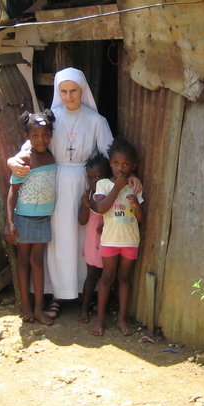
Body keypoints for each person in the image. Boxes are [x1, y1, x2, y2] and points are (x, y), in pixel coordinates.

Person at [8, 68, 113, 318]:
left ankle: (82, 292)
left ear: (82, 90)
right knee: (58, 240)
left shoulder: (96, 120)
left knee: (82, 240)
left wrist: (126, 178)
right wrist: (11, 161)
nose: (68, 96)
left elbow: (110, 153)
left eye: (73, 91)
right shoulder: (50, 118)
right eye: (63, 91)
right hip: (54, 184)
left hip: (84, 184)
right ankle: (57, 293)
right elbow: (27, 149)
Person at [5, 110, 56, 325]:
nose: (41, 140)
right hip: (24, 218)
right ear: (27, 137)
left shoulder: (51, 156)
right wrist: (10, 222)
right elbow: (12, 192)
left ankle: (38, 308)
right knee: (24, 260)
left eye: (45, 135)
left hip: (44, 217)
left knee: (38, 261)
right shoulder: (25, 159)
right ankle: (25, 304)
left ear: (51, 135)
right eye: (35, 136)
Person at [91, 137, 145, 337]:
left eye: (125, 164)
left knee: (124, 278)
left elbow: (140, 218)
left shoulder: (135, 187)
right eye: (115, 163)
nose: (120, 168)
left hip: (130, 241)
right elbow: (101, 207)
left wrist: (136, 205)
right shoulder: (104, 185)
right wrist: (118, 187)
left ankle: (122, 319)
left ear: (133, 166)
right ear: (110, 163)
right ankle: (100, 319)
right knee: (106, 277)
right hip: (110, 241)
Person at [78, 154, 110, 323]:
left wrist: (105, 225)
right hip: (92, 243)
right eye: (90, 177)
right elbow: (82, 221)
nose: (94, 181)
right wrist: (85, 206)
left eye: (98, 177)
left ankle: (103, 307)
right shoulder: (88, 195)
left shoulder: (111, 195)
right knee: (91, 276)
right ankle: (84, 308)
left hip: (108, 241)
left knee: (108, 275)